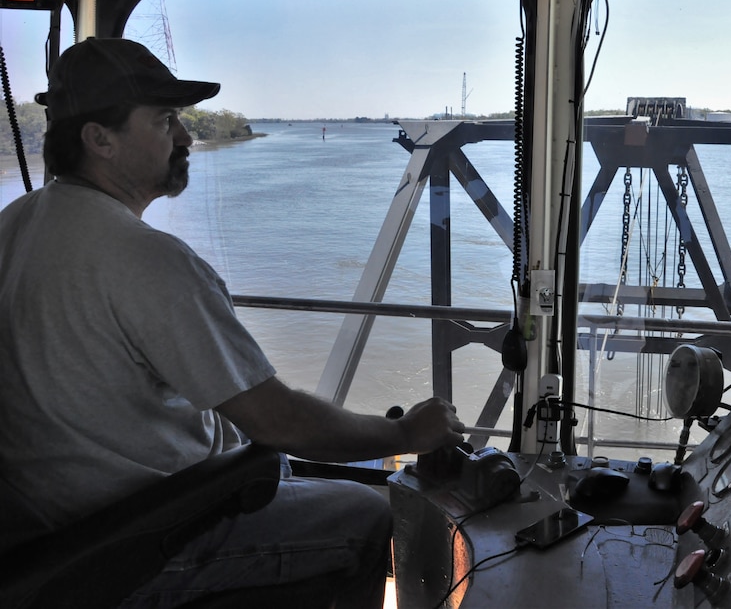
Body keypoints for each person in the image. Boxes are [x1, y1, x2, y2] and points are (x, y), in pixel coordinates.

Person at [0, 38, 465, 607]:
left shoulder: (16, 225)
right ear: (100, 140)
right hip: (139, 540)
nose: (185, 137)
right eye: (165, 120)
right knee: (367, 516)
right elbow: (277, 419)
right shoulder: (146, 259)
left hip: (50, 527)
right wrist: (403, 434)